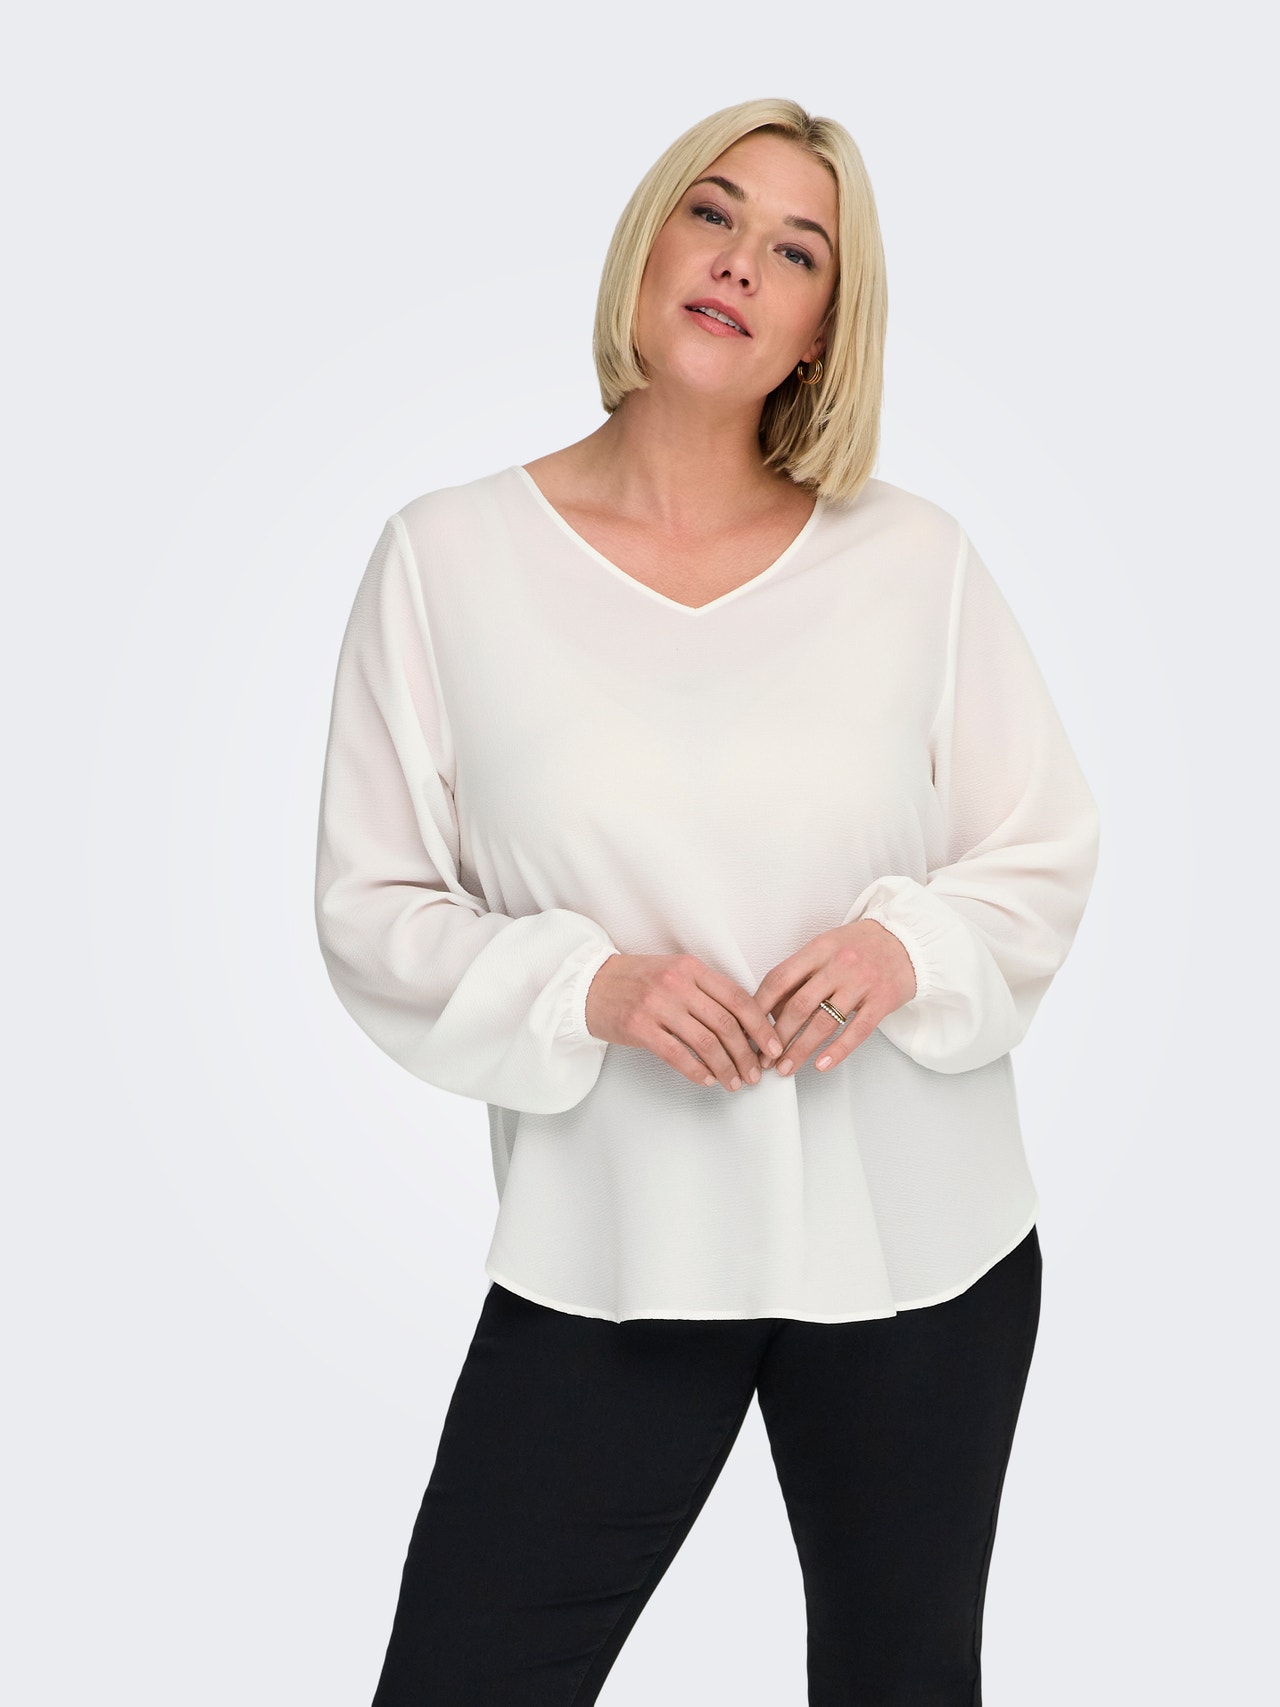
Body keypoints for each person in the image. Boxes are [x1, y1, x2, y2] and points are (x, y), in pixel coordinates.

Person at [313, 95, 1101, 1707]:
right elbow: (372, 903)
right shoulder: (447, 561)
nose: (741, 263)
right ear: (650, 242)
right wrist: (587, 988)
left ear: (822, 331)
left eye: (797, 252)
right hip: (619, 1249)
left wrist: (904, 947)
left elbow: (1041, 845)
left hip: (918, 1249)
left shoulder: (915, 562)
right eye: (714, 214)